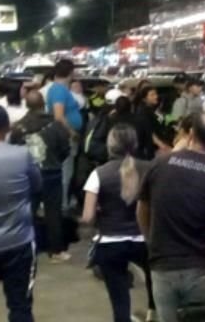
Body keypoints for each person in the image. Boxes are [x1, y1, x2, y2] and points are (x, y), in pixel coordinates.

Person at [137, 113, 205, 322]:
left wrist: (150, 241)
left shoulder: (159, 164)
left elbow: (142, 208)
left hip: (163, 267)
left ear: (191, 134)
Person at [80, 124, 156, 322]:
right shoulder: (150, 169)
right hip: (145, 240)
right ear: (135, 144)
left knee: (119, 296)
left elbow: (87, 217)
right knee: (154, 280)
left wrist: (100, 213)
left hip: (111, 241)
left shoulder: (98, 174)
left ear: (110, 145)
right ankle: (153, 311)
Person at [0, 104, 42, 322]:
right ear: (8, 128)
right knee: (20, 307)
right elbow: (36, 187)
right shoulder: (22, 156)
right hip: (19, 243)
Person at [10, 90, 72, 263]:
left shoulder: (18, 127)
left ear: (27, 105)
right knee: (54, 212)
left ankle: (26, 248)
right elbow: (65, 149)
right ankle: (56, 251)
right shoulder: (55, 125)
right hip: (52, 173)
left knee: (26, 212)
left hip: (27, 176)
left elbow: (14, 151)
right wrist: (56, 161)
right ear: (43, 104)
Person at [46, 59, 81, 211]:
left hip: (64, 135)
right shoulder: (59, 90)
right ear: (70, 72)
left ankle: (63, 202)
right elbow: (59, 116)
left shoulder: (58, 89)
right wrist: (72, 132)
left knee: (66, 172)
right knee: (65, 172)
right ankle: (62, 205)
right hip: (65, 136)